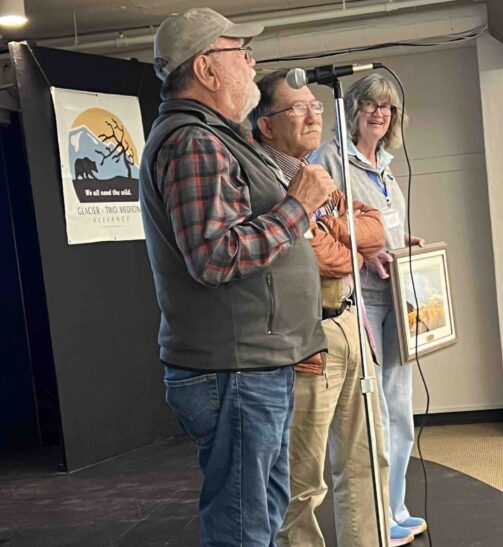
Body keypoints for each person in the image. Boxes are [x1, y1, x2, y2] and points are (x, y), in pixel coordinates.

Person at [139, 9, 337, 546]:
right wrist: (297, 206)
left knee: (261, 515)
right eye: (240, 52)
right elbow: (215, 256)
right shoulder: (195, 142)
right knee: (244, 528)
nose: (252, 63)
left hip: (250, 364)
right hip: (235, 371)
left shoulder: (219, 138)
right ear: (206, 68)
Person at [250, 69, 390, 547]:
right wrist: (346, 244)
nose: (313, 115)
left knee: (368, 461)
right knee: (301, 481)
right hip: (310, 342)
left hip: (352, 323)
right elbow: (316, 260)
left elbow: (376, 228)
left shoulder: (316, 174)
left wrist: (337, 232)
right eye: (297, 107)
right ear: (266, 124)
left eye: (315, 105)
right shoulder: (265, 183)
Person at [310, 73, 427, 547]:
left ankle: (395, 506)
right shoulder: (332, 160)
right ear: (353, 108)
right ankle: (374, 515)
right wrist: (365, 254)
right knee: (371, 408)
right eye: (373, 105)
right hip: (356, 296)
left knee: (398, 406)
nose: (381, 114)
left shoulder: (388, 165)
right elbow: (318, 225)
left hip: (395, 295)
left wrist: (401, 244)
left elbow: (383, 224)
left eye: (389, 108)